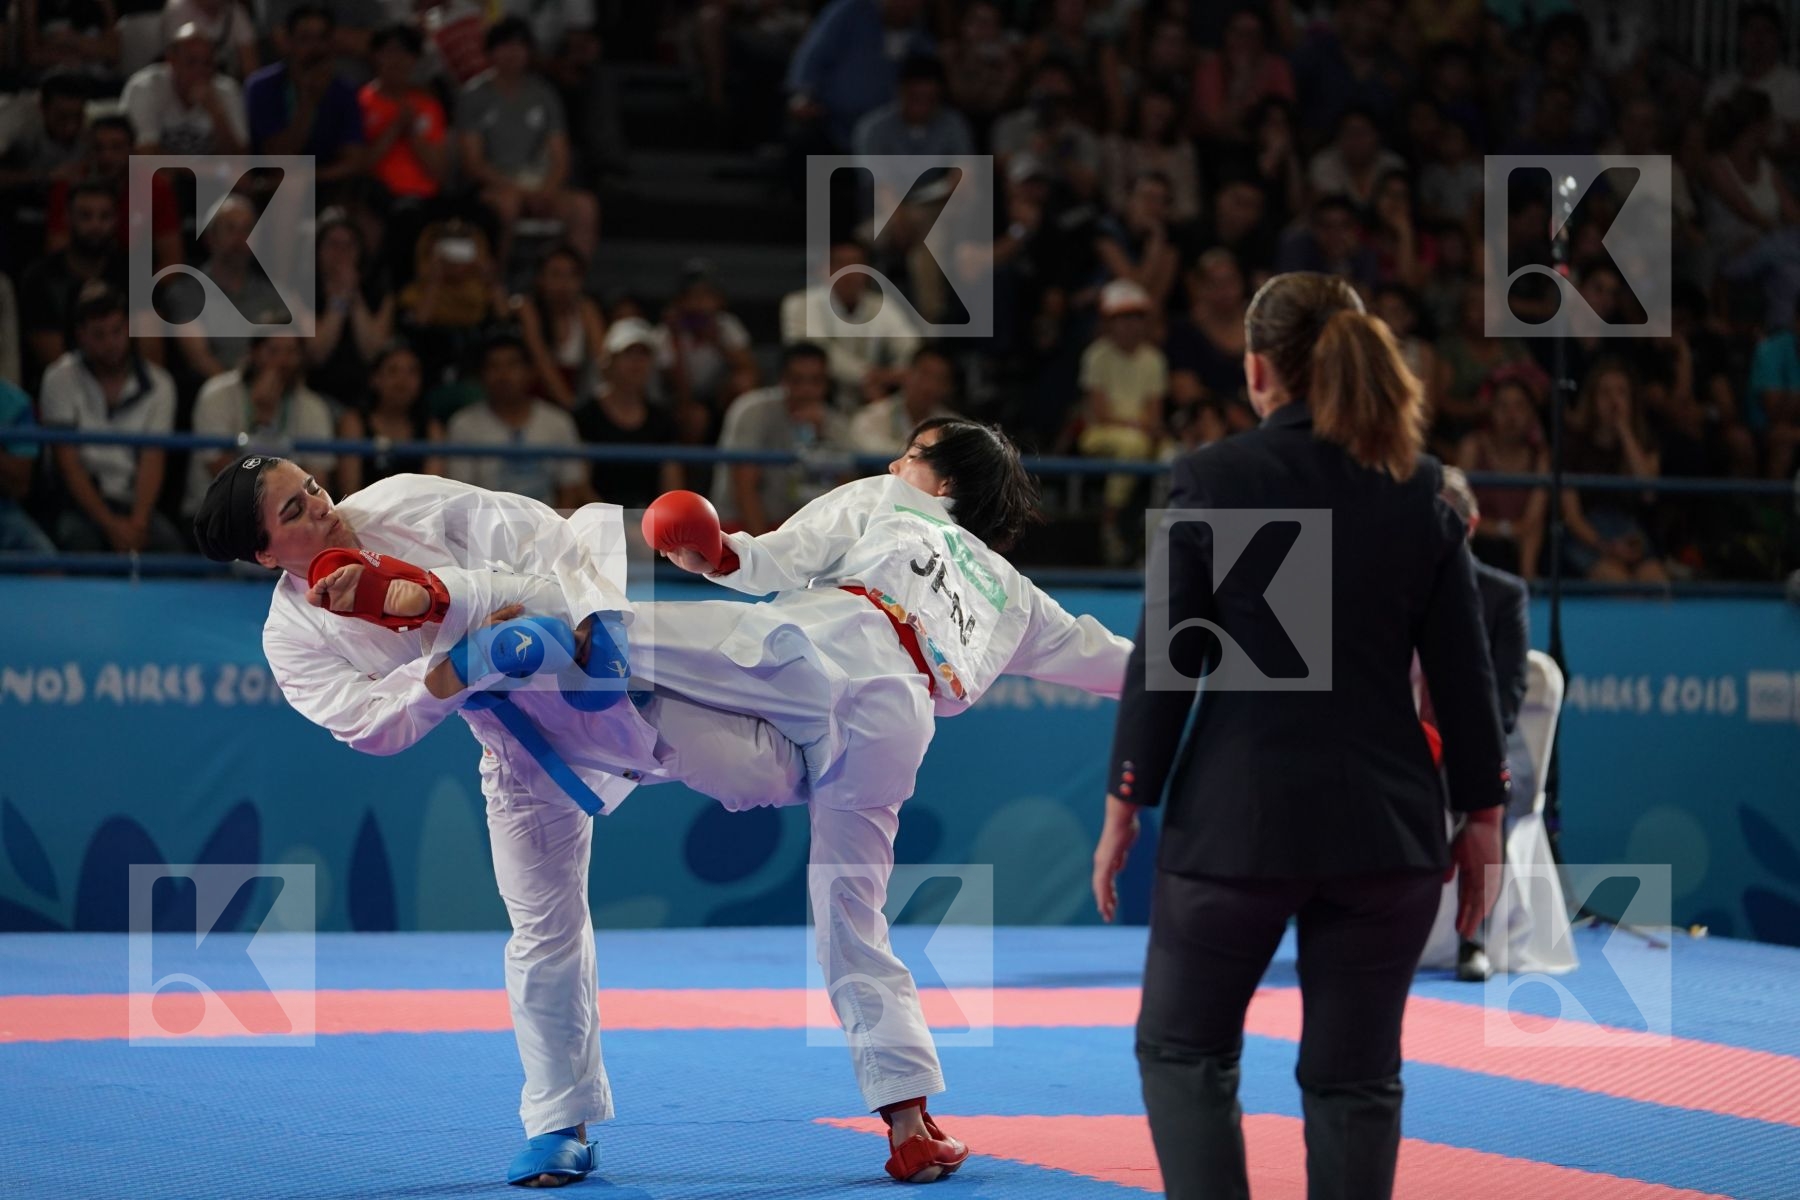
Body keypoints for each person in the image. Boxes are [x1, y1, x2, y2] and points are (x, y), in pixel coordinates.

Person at [190, 453, 809, 1189]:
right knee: (542, 927)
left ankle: (840, 734)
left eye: (313, 489)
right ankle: (559, 1126)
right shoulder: (292, 636)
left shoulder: (404, 504)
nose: (323, 508)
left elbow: (537, 533)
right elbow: (366, 725)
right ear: (264, 555)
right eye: (293, 512)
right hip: (517, 748)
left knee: (764, 778)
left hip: (600, 678)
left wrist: (588, 620)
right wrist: (460, 664)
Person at [1091, 272, 1509, 1200]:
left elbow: (1168, 661)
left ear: (1256, 369)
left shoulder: (1215, 476)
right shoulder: (1425, 490)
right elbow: (1464, 673)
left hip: (1241, 827)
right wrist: (1483, 813)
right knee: (1357, 1080)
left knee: (1184, 1052)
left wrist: (1129, 799)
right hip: (1385, 831)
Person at [643, 416, 1133, 1182]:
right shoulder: (1014, 593)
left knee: (660, 662)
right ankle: (909, 1125)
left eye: (909, 455)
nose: (894, 462)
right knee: (850, 911)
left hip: (827, 647)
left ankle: (547, 649)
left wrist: (717, 552)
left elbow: (775, 557)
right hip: (900, 716)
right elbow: (1116, 664)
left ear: (940, 483)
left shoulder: (886, 499)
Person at [1434, 466, 1530, 982]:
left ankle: (1473, 937)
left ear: (1470, 526)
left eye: (1448, 520)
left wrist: (1464, 749)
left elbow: (1507, 695)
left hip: (1478, 744)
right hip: (1408, 742)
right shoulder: (1397, 588)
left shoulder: (1502, 595)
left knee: (1487, 789)